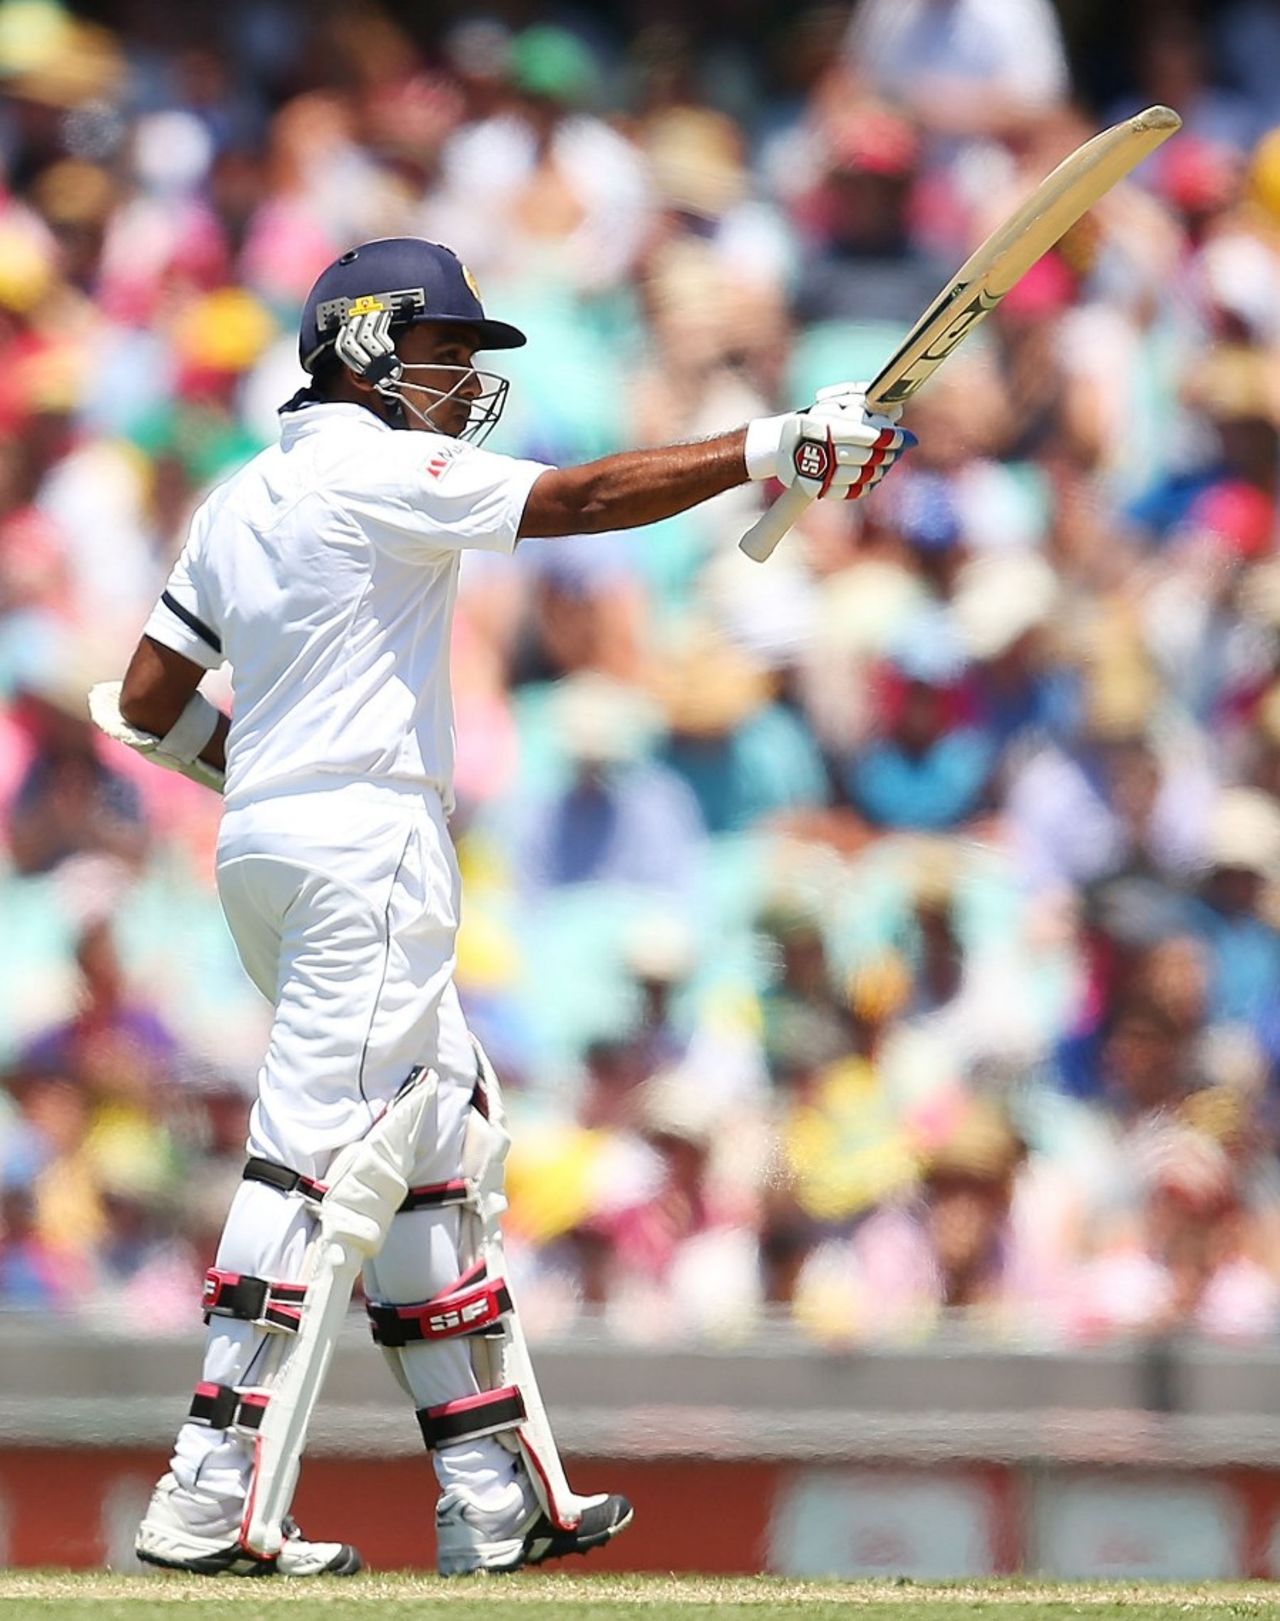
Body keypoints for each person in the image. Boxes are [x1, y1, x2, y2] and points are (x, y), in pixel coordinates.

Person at [94, 235, 914, 1578]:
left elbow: (143, 701)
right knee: (319, 1156)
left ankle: (493, 1489)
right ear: (359, 342)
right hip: (368, 844)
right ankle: (207, 1491)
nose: (461, 378)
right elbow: (581, 501)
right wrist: (773, 444)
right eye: (442, 350)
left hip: (271, 842)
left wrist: (264, 774)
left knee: (434, 1154)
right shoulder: (370, 466)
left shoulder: (238, 498)